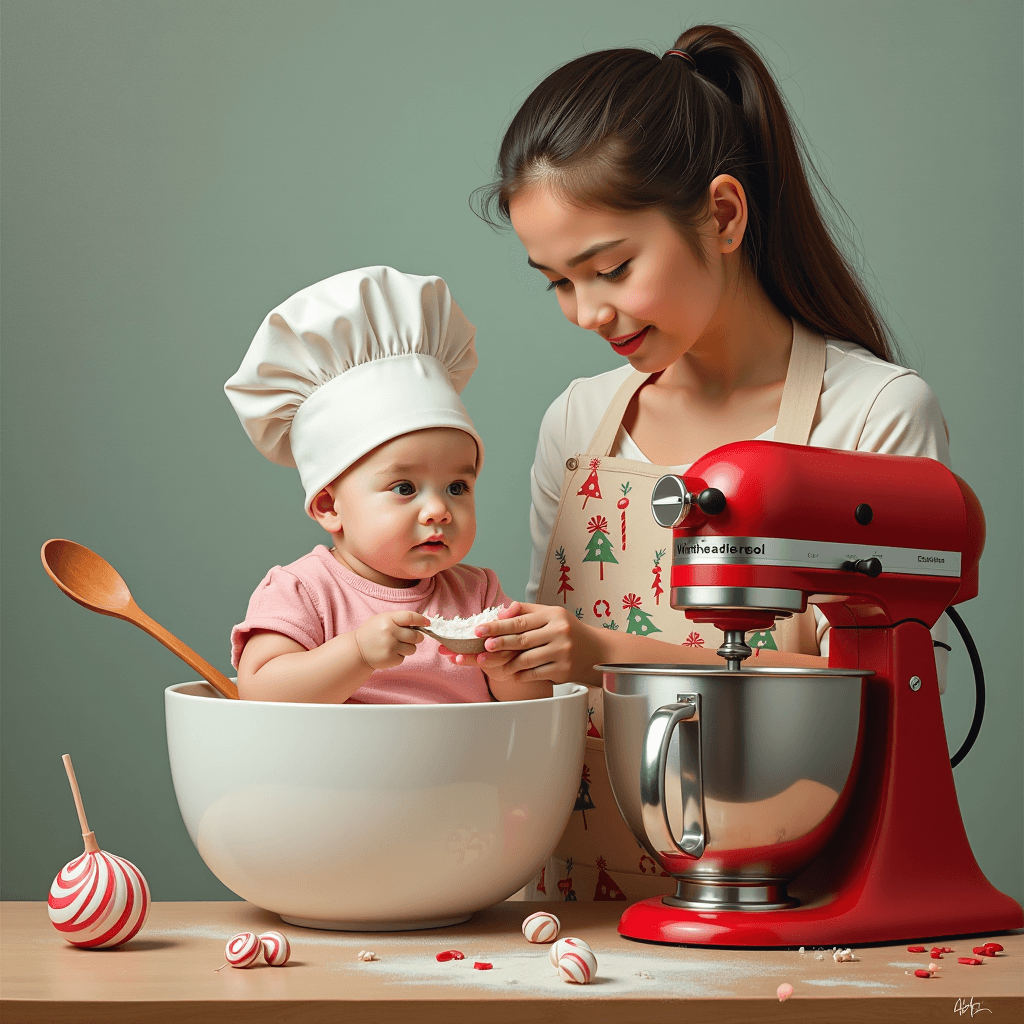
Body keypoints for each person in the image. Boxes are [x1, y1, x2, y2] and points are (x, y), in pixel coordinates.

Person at [458, 25, 952, 902]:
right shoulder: (577, 423)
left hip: (798, 916)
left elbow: (886, 712)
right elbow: (543, 701)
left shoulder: (873, 414)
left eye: (609, 267)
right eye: (557, 282)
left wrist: (597, 653)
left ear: (723, 214)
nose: (584, 311)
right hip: (578, 920)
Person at [224, 266, 559, 704]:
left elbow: (532, 705)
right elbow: (260, 689)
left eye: (457, 487)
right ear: (329, 506)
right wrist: (356, 652)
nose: (439, 510)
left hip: (474, 771)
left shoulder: (478, 594)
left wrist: (508, 666)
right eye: (404, 488)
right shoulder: (303, 590)